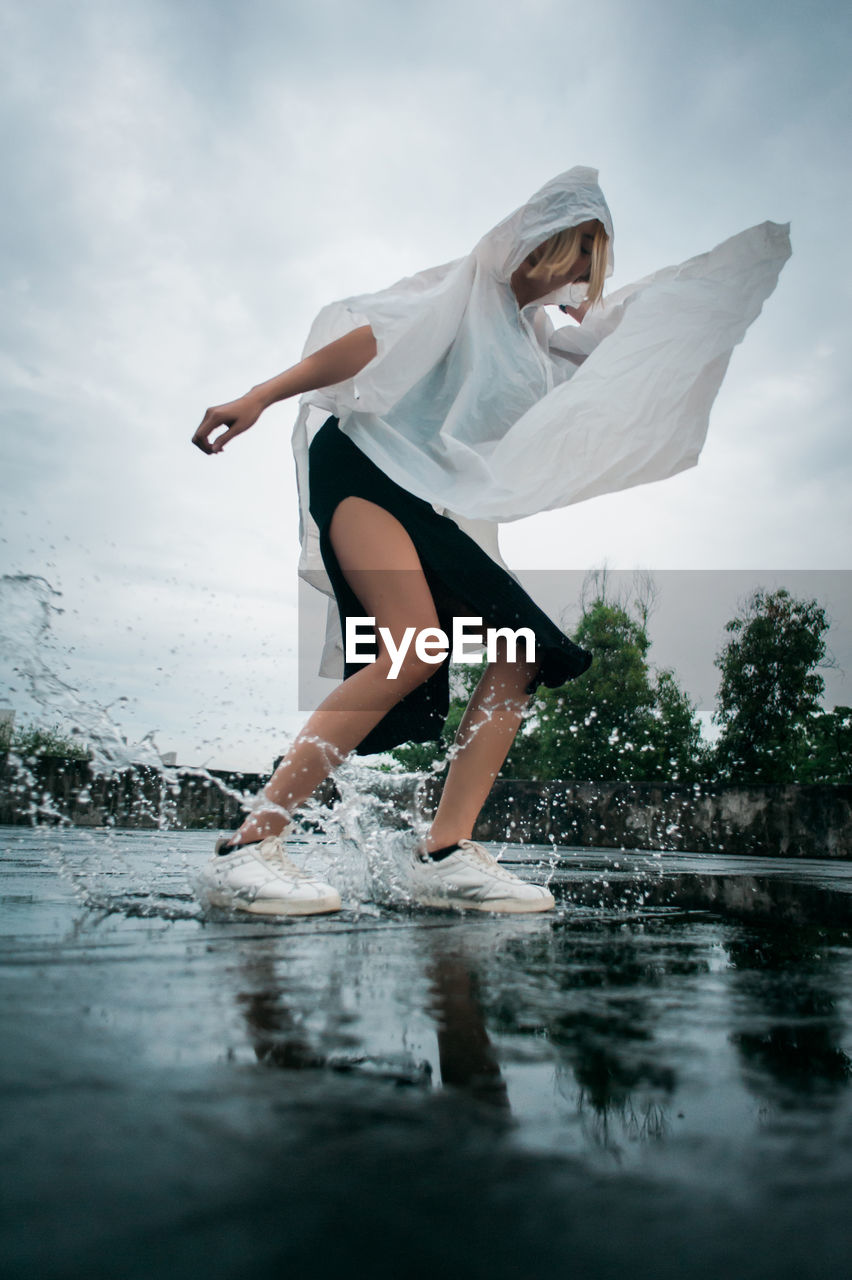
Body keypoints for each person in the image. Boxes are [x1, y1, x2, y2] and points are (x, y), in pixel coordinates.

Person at [192, 166, 791, 918]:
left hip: (420, 500)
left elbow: (613, 361)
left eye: (591, 264)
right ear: (540, 239)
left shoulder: (539, 342)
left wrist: (689, 309)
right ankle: (252, 845)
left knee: (521, 650)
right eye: (575, 251)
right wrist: (258, 396)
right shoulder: (464, 290)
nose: (580, 274)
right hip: (361, 469)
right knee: (411, 649)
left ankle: (443, 854)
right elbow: (367, 345)